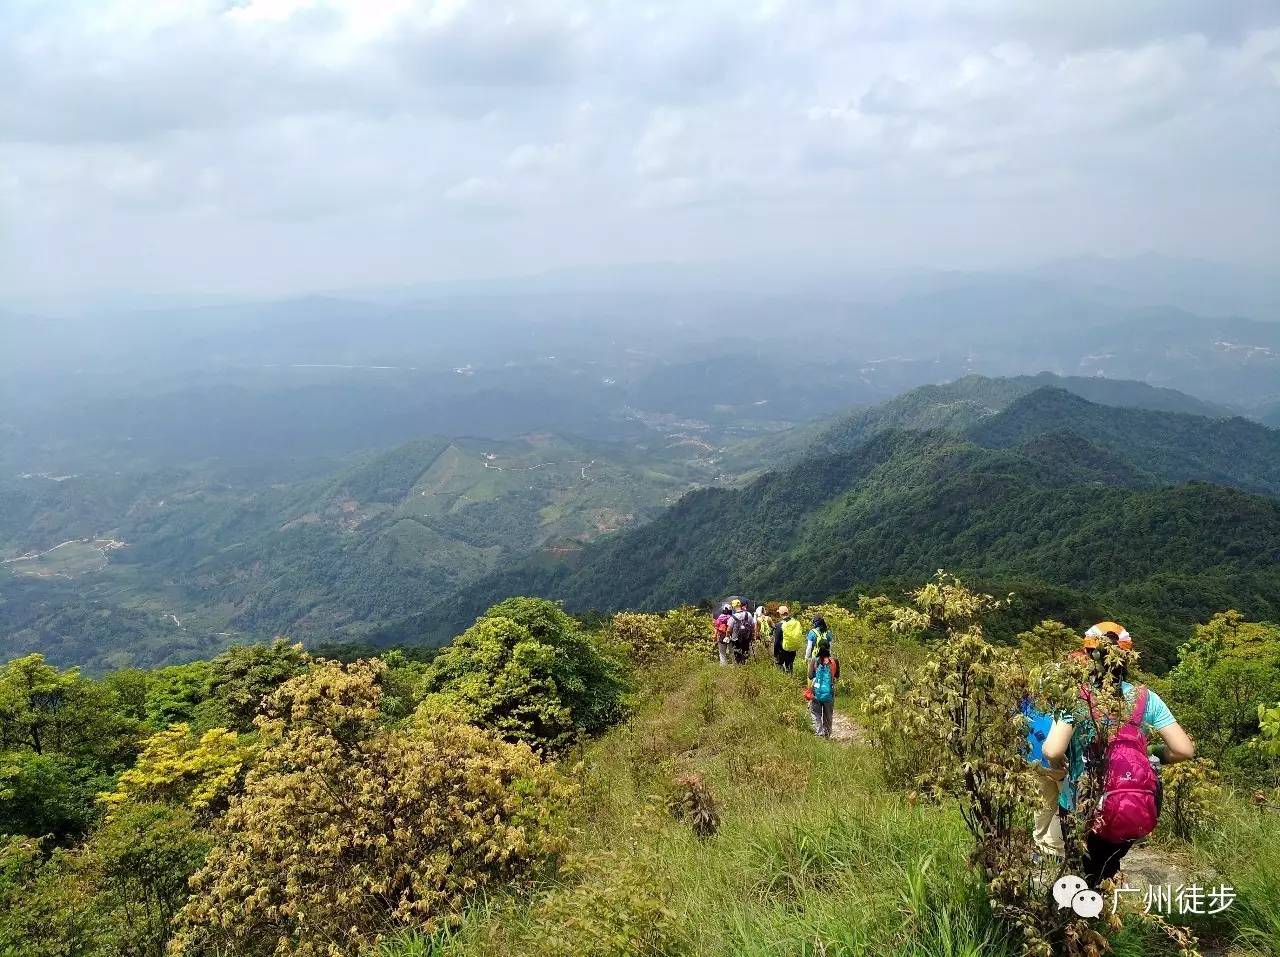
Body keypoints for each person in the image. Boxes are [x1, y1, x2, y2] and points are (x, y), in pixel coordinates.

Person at [1042, 623, 1195, 888]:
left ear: (1090, 656)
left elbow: (1052, 749)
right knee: (1107, 868)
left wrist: (1059, 765)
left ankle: (1084, 919)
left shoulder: (1078, 697)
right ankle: (1104, 913)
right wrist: (1150, 752)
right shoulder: (1146, 698)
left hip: (1080, 802)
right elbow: (1184, 750)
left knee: (1082, 872)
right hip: (1128, 803)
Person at [806, 639, 840, 737]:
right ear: (829, 648)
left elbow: (810, 676)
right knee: (828, 713)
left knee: (815, 712)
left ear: (818, 647)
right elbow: (837, 676)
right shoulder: (834, 661)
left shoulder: (814, 660)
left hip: (816, 691)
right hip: (829, 691)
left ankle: (819, 733)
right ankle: (827, 734)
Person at [777, 606, 804, 674]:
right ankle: (791, 677)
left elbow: (777, 641)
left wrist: (775, 653)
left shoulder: (780, 625)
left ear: (780, 614)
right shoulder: (795, 622)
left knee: (780, 665)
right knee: (790, 664)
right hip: (793, 647)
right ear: (787, 613)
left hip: (783, 648)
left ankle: (784, 679)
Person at [727, 599, 755, 665]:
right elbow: (753, 625)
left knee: (737, 654)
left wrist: (727, 636)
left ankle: (739, 667)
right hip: (746, 638)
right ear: (740, 605)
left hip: (736, 639)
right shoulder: (748, 614)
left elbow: (728, 629)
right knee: (746, 652)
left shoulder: (732, 617)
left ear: (733, 607)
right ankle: (746, 665)